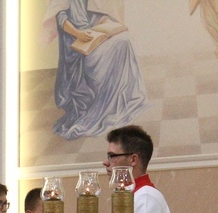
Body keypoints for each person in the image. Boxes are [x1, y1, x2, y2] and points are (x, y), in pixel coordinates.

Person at [51, 0, 148, 140]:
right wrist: (79, 34)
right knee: (120, 44)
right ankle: (109, 100)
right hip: (78, 46)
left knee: (124, 39)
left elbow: (89, 16)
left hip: (91, 36)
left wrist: (106, 21)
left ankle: (124, 93)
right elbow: (61, 19)